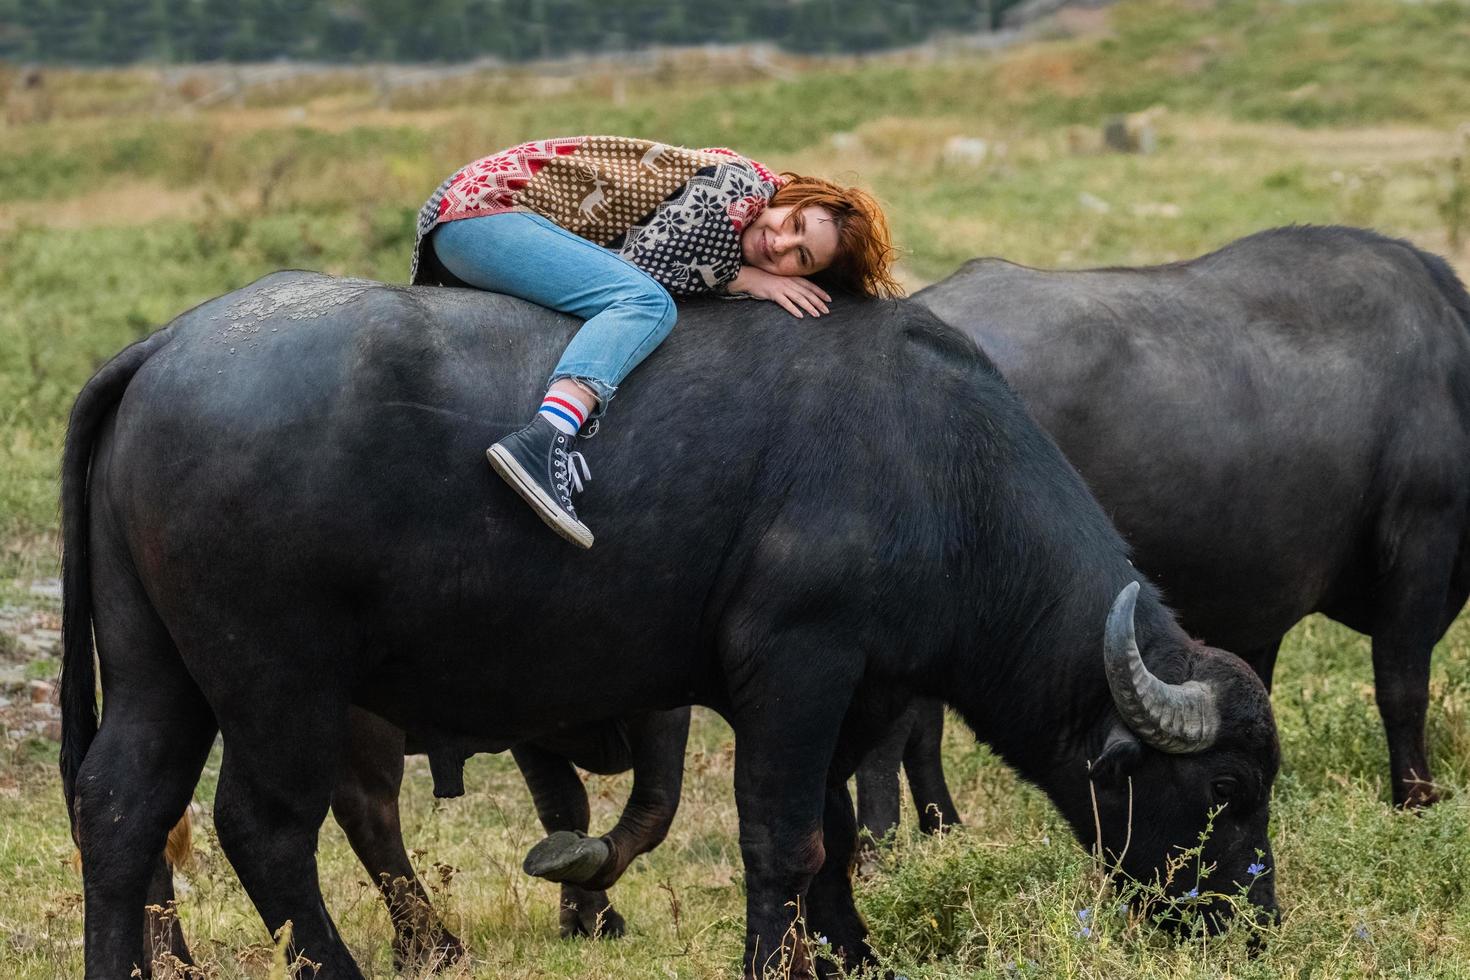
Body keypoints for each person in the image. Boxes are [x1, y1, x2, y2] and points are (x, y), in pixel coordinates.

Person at [410, 135, 901, 548]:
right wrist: (745, 280)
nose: (780, 244)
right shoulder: (738, 186)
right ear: (791, 195)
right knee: (646, 305)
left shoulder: (740, 209)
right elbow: (643, 265)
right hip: (483, 216)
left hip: (480, 220)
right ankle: (544, 439)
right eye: (793, 225)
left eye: (802, 258)